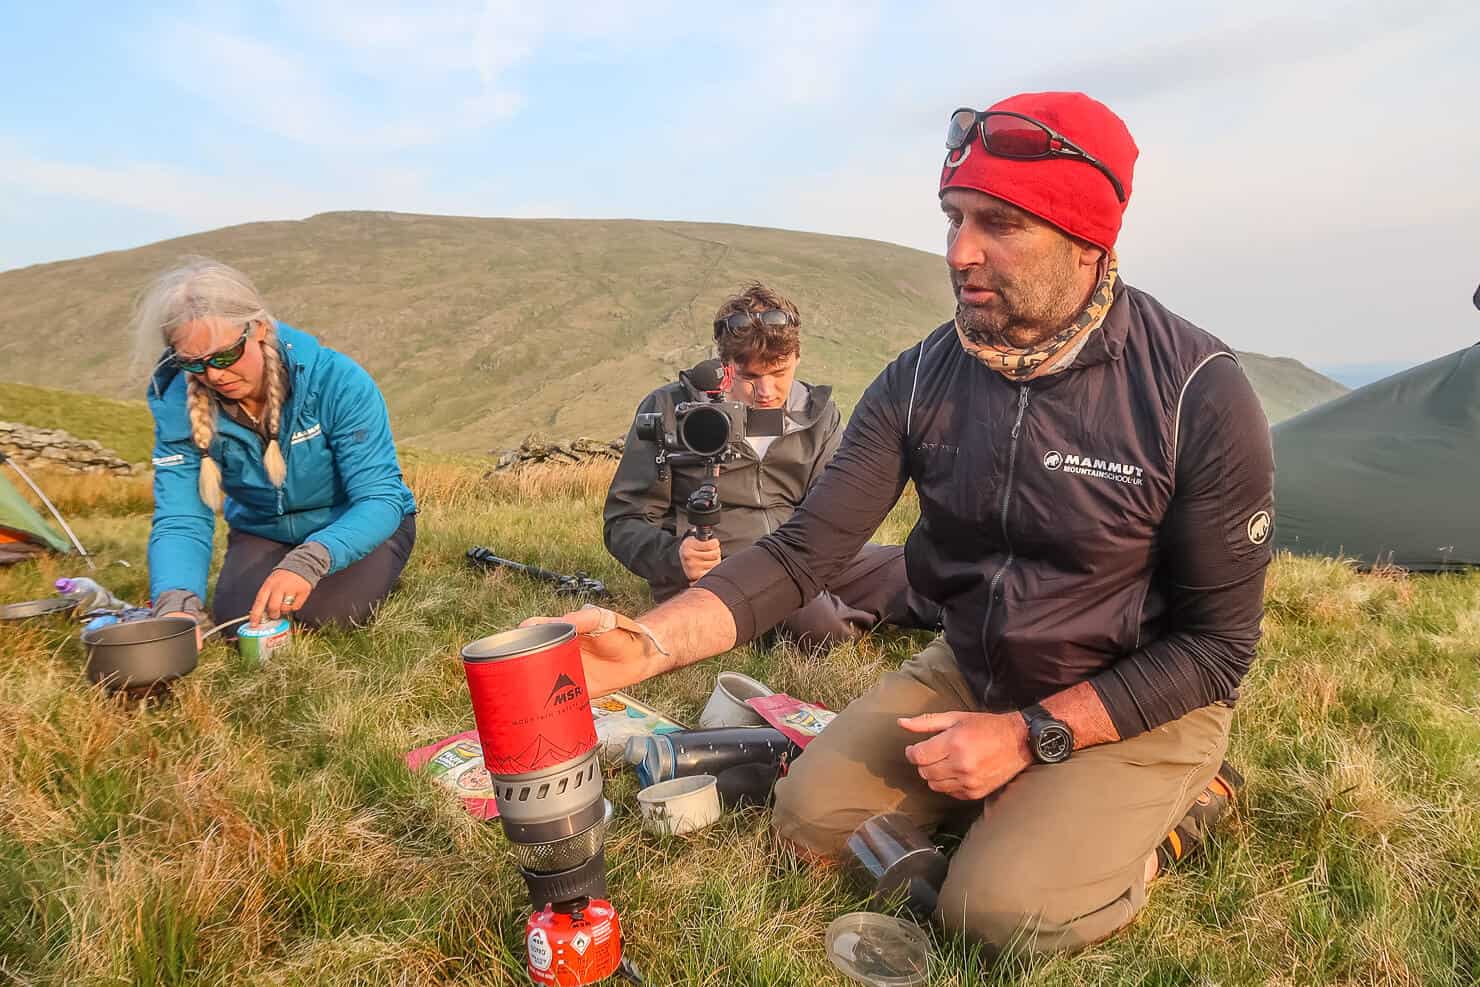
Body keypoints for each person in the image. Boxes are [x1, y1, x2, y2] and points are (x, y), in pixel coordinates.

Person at [529, 91, 1274, 955]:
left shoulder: (1196, 391)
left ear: (1086, 236)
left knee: (992, 915)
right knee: (807, 824)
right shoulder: (923, 377)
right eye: (954, 216)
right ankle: (1018, 813)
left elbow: (1218, 649)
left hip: (1137, 695)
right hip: (974, 667)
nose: (960, 252)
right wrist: (647, 642)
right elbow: (804, 551)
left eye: (999, 222)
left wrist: (1031, 738)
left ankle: (1177, 816)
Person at [603, 281, 939, 649]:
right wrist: (674, 557)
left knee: (927, 570)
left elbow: (834, 515)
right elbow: (624, 522)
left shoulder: (817, 413)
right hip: (724, 570)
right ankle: (836, 616)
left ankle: (881, 610)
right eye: (750, 378)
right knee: (819, 628)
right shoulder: (668, 409)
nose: (766, 392)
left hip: (806, 556)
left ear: (797, 357)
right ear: (724, 366)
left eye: (779, 373)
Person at [137, 258, 417, 633]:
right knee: (238, 625)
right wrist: (176, 602)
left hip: (350, 521)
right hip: (262, 529)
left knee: (325, 617)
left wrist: (310, 561)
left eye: (225, 355)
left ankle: (371, 573)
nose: (214, 375)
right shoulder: (175, 402)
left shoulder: (337, 381)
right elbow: (181, 517)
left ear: (260, 329)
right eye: (194, 364)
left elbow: (380, 498)